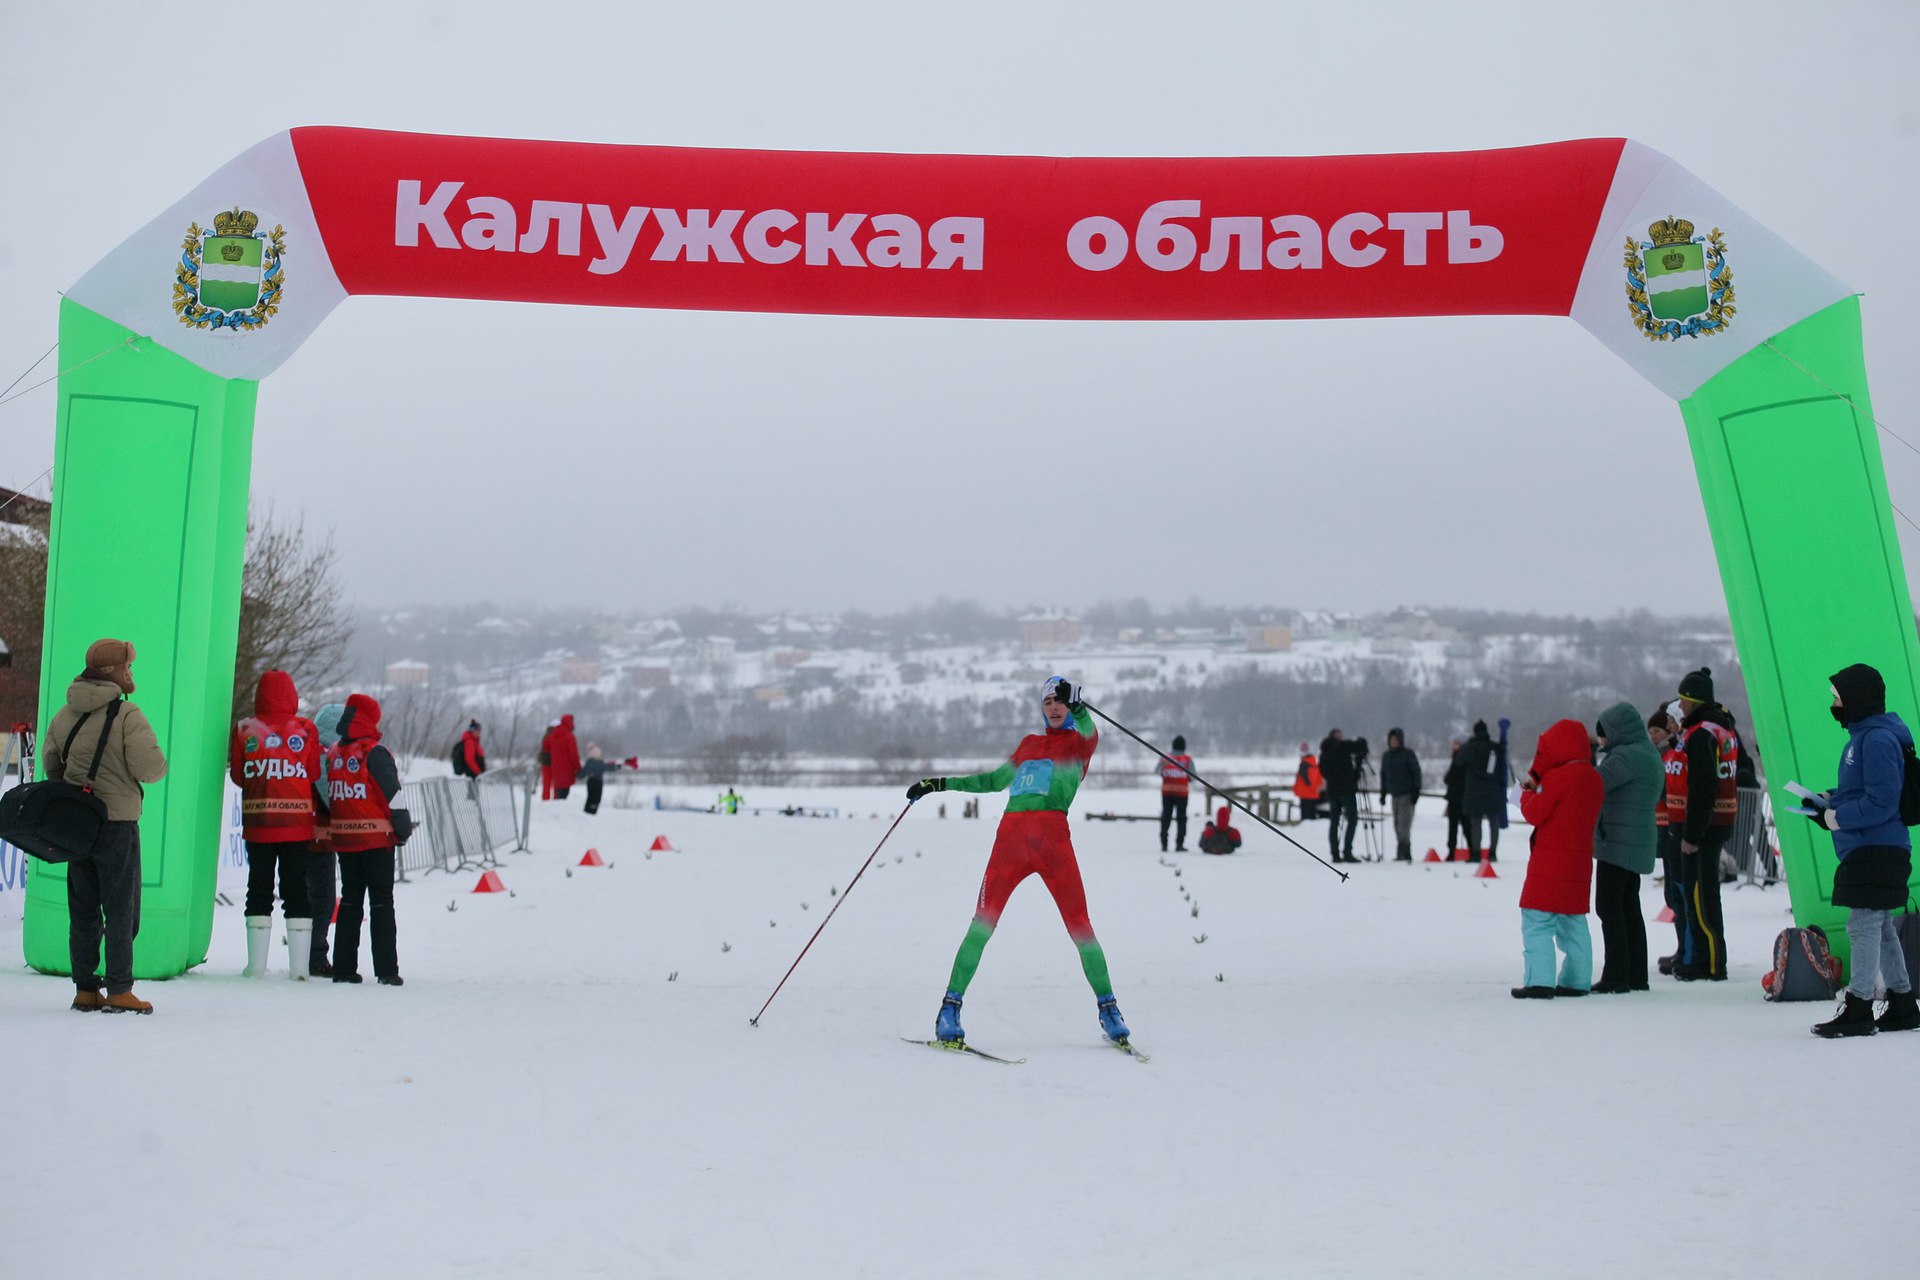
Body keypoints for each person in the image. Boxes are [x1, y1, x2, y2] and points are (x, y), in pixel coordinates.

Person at [905, 677, 1133, 1047]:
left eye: (1060, 701)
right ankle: (949, 1009)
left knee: (1080, 925)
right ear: (1041, 707)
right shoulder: (1029, 744)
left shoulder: (1078, 745)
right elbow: (993, 781)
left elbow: (1091, 735)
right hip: (1009, 842)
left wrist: (1079, 707)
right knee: (982, 925)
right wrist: (939, 784)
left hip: (1052, 842)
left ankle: (1109, 1010)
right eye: (1048, 701)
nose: (1054, 707)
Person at [42, 638, 167, 1013]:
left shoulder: (65, 714)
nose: (132, 672)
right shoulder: (128, 715)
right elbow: (150, 768)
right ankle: (119, 989)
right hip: (117, 824)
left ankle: (85, 988)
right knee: (121, 908)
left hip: (79, 825)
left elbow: (51, 765)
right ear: (114, 672)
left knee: (83, 907)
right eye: (128, 666)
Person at [1806, 664, 1918, 1037]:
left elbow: (1883, 801)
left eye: (1837, 696)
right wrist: (1829, 800)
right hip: (1871, 846)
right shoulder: (1865, 736)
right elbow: (1866, 791)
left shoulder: (1877, 739)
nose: (1833, 703)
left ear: (1856, 698)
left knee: (1864, 926)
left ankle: (1858, 1006)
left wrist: (1837, 817)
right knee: (1880, 926)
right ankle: (1903, 1003)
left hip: (1877, 846)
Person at [228, 670, 321, 979]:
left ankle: (255, 967)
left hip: (258, 824)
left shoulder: (243, 728)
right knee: (297, 889)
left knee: (259, 889)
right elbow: (312, 774)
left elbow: (238, 777)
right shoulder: (306, 729)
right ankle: (299, 969)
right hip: (296, 826)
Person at [1512, 719, 1603, 998]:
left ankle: (1539, 981)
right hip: (1579, 864)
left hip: (1549, 864)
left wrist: (1524, 795)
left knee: (1537, 922)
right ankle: (1577, 981)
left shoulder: (1556, 778)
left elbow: (1535, 813)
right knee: (1573, 924)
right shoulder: (1594, 778)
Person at [325, 693, 405, 986]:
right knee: (381, 903)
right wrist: (403, 827)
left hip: (345, 840)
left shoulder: (334, 753)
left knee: (349, 902)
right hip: (376, 840)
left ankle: (344, 969)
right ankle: (387, 970)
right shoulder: (374, 752)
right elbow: (392, 793)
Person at [1670, 668, 1737, 981]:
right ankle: (1705, 958)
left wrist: (1692, 835)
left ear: (1694, 701)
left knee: (1700, 896)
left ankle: (1709, 963)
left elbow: (1702, 787)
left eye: (1684, 700)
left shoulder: (1700, 735)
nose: (1680, 706)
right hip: (1718, 822)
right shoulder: (1720, 728)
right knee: (1704, 894)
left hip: (1705, 828)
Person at [1591, 702, 1661, 993]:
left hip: (1617, 842)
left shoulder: (1624, 757)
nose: (1602, 741)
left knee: (1609, 907)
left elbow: (1594, 784)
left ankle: (1616, 976)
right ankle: (1635, 975)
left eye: (1604, 735)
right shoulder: (1647, 752)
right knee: (1629, 907)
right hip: (1634, 840)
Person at [1648, 710, 1691, 976]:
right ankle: (1682, 948)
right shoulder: (1660, 755)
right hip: (1663, 828)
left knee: (1680, 893)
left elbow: (1672, 787)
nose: (1652, 737)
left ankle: (1687, 951)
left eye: (1657, 732)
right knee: (1672, 895)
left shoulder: (1675, 754)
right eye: (1650, 732)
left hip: (1674, 826)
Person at [306, 702, 345, 978]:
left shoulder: (302, 747)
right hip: (318, 838)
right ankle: (315, 957)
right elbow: (331, 797)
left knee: (302, 899)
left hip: (295, 836)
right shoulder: (323, 754)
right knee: (322, 900)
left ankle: (304, 955)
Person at [1459, 720, 1503, 862]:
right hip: (1492, 791)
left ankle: (1476, 853)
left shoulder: (1470, 747)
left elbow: (1458, 762)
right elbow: (1502, 765)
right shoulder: (1494, 748)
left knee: (1475, 824)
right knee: (1493, 824)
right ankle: (1493, 852)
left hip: (1474, 791)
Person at [1378, 728, 1422, 863]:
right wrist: (1383, 792)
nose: (1394, 742)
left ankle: (1404, 851)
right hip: (1394, 794)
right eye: (1391, 740)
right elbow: (1384, 775)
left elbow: (1416, 772)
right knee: (1396, 825)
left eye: (1396, 740)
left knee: (1404, 825)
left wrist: (1416, 791)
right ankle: (1402, 850)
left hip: (1407, 794)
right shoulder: (1387, 756)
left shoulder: (1408, 754)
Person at [1319, 729, 1361, 864]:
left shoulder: (1324, 751)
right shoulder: (1342, 747)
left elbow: (1322, 771)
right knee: (1352, 819)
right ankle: (1347, 851)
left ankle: (1335, 854)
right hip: (1346, 790)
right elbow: (1358, 746)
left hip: (1332, 790)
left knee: (1334, 823)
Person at [1158, 734, 1193, 852]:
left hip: (1167, 793)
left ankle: (1164, 844)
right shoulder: (1187, 760)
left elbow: (1158, 771)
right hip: (1182, 794)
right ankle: (1179, 844)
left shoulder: (1164, 758)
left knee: (1166, 817)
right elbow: (1192, 777)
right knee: (1181, 819)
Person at [578, 744, 631, 815]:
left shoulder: (589, 762)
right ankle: (592, 812)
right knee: (596, 798)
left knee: (590, 797)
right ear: (598, 755)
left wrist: (578, 776)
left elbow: (584, 772)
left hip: (590, 782)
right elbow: (609, 767)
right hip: (598, 782)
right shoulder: (600, 763)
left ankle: (586, 811)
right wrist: (619, 766)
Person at [548, 713, 581, 800]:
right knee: (563, 796)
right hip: (567, 770)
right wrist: (578, 768)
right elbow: (574, 755)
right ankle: (558, 812)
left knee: (558, 794)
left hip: (556, 769)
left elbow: (547, 748)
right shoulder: (569, 737)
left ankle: (555, 810)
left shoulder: (553, 736)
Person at [1443, 737, 1466, 857]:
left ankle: (1452, 851)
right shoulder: (1462, 758)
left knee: (1454, 826)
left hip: (1456, 797)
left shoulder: (1458, 759)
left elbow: (1449, 777)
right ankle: (1473, 850)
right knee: (1465, 824)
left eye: (1456, 744)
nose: (1453, 746)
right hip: (1462, 797)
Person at [1292, 743, 1324, 821]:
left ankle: (1306, 830)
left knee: (1305, 817)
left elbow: (1305, 779)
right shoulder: (1315, 765)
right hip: (1313, 793)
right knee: (1312, 815)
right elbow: (1319, 780)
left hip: (1305, 793)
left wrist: (1308, 786)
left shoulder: (1304, 764)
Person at [538, 719, 559, 800]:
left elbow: (543, 749)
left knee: (546, 784)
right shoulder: (557, 737)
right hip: (555, 763)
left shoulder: (546, 736)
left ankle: (545, 799)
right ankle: (556, 800)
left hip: (545, 762)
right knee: (556, 785)